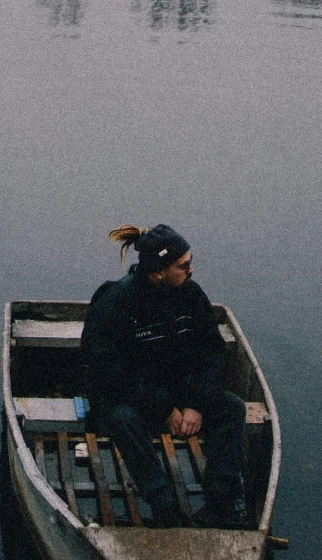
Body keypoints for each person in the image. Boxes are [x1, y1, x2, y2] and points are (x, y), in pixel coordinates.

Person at [83, 223, 249, 528]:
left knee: (232, 408)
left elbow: (212, 351)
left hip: (180, 394)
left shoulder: (191, 295)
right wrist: (163, 409)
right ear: (158, 272)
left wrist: (196, 404)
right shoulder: (116, 301)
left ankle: (222, 504)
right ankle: (166, 507)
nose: (191, 270)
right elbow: (108, 369)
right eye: (182, 265)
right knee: (122, 419)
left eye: (189, 263)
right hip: (134, 398)